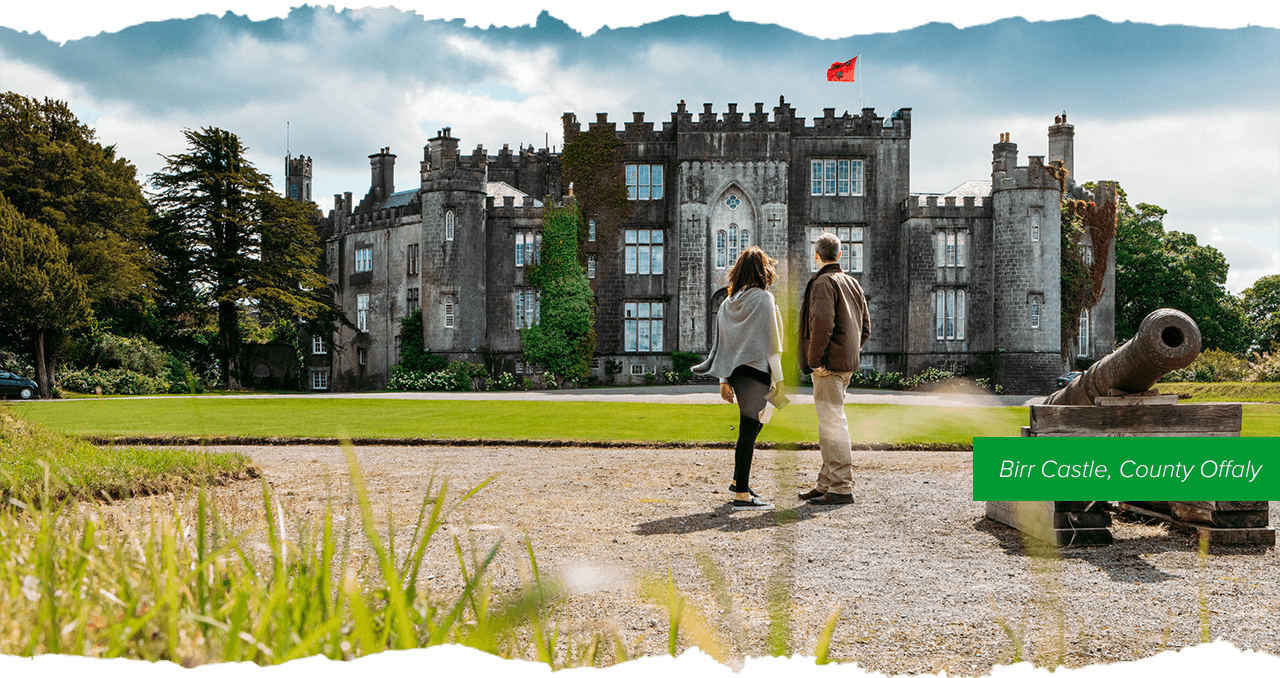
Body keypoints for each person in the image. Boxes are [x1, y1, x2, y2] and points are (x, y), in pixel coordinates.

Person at [692, 246, 786, 511]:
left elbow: (722, 345)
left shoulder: (727, 302)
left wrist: (723, 379)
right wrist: (780, 382)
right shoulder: (764, 299)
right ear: (762, 271)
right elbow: (772, 346)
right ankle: (742, 495)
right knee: (748, 431)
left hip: (736, 374)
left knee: (753, 427)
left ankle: (738, 480)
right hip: (757, 373)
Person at [798, 232, 870, 506]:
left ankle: (840, 486)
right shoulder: (852, 283)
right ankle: (826, 482)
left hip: (828, 367)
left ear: (816, 256)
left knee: (833, 423)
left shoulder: (823, 282)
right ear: (840, 255)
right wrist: (848, 353)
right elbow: (865, 329)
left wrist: (816, 361)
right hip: (844, 365)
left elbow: (822, 324)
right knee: (828, 423)